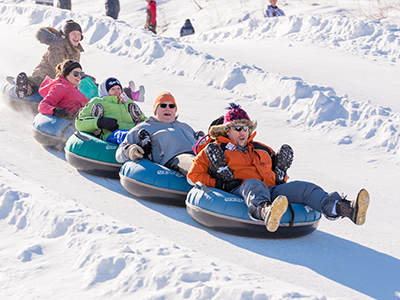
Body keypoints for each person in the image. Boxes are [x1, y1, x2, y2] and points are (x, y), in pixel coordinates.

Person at [187, 103, 370, 233]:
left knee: (303, 187)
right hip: (240, 189)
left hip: (270, 189)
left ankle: (341, 208)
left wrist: (280, 177)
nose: (242, 132)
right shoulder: (216, 149)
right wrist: (220, 184)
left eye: (245, 127)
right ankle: (265, 211)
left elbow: (274, 178)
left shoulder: (262, 149)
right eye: (237, 128)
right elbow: (193, 175)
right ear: (227, 130)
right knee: (253, 183)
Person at [116, 91, 204, 176]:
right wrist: (130, 150)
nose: (168, 108)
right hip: (177, 157)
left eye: (171, 106)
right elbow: (120, 153)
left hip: (200, 153)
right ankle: (147, 153)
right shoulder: (145, 126)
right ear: (155, 110)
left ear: (175, 110)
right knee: (197, 165)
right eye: (163, 105)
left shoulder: (185, 126)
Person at [15, 20, 84, 99]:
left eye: (79, 34)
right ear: (67, 35)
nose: (77, 36)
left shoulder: (76, 51)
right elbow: (60, 67)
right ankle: (26, 87)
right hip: (45, 74)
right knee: (39, 81)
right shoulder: (56, 47)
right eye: (74, 34)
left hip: (61, 79)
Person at [75, 77, 146, 144]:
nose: (117, 91)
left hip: (132, 133)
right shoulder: (98, 102)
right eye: (113, 89)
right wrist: (100, 122)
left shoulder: (128, 102)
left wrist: (145, 124)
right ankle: (132, 150)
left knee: (142, 134)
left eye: (118, 88)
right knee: (122, 135)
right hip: (112, 136)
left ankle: (145, 148)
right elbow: (79, 123)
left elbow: (143, 118)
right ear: (105, 91)